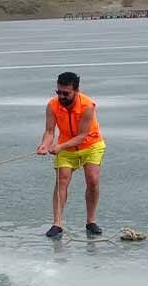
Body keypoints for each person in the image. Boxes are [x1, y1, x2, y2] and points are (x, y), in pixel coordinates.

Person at [37, 72, 107, 238]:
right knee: (62, 180)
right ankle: (57, 224)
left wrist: (59, 146)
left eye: (66, 93)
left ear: (76, 90)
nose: (61, 96)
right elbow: (49, 131)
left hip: (91, 145)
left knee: (92, 180)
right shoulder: (52, 105)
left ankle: (91, 221)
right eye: (59, 92)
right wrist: (44, 145)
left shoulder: (87, 106)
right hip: (66, 148)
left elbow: (82, 136)